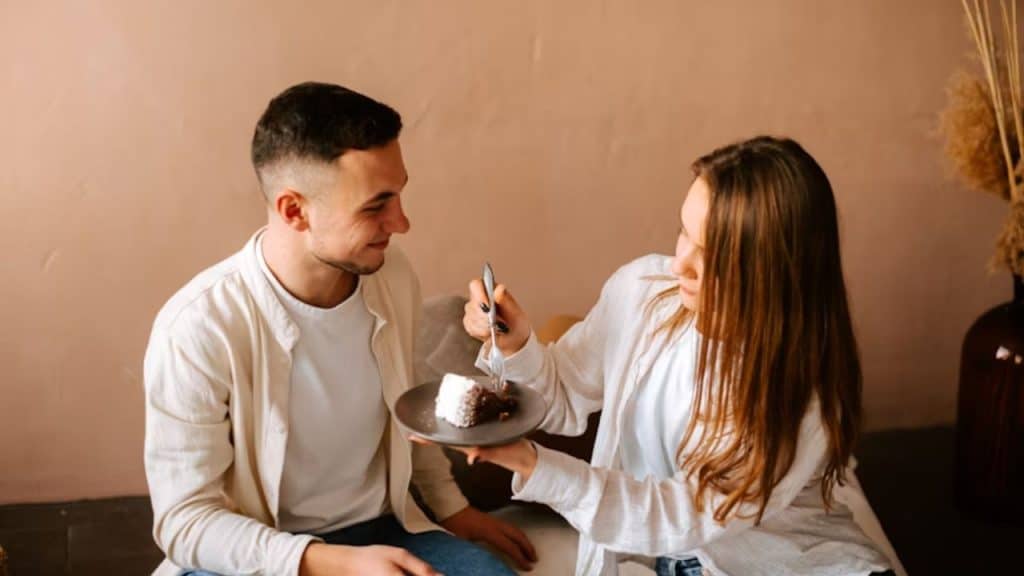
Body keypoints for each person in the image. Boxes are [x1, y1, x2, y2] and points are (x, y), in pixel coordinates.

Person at [144, 81, 536, 576]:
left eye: (399, 195)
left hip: (383, 529)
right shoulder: (198, 328)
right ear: (294, 210)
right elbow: (185, 523)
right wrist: (327, 562)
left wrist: (454, 511)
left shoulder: (391, 277)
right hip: (254, 552)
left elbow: (411, 412)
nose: (402, 222)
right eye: (376, 205)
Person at [455, 137, 895, 575]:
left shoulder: (799, 392)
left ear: (769, 271)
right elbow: (564, 390)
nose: (680, 263)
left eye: (713, 253)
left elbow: (680, 516)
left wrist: (535, 464)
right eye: (685, 231)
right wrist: (513, 342)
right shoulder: (643, 290)